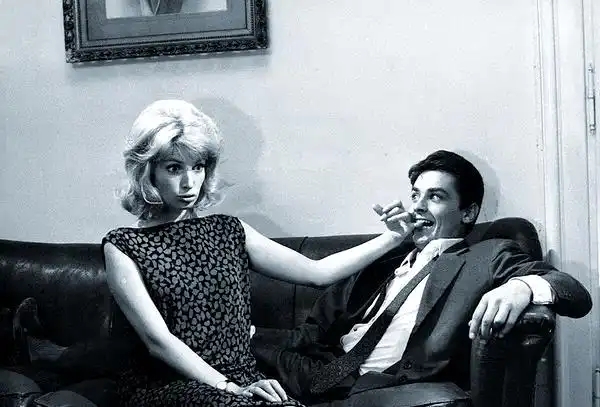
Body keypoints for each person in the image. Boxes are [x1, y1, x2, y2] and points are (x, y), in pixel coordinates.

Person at [101, 99, 411, 407]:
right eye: (174, 168)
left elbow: (318, 273)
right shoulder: (124, 245)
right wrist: (228, 387)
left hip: (242, 379)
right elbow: (158, 342)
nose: (189, 182)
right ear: (148, 171)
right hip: (167, 385)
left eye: (197, 167)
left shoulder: (229, 230)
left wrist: (392, 238)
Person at [250, 150, 593, 406]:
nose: (418, 206)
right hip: (320, 369)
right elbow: (311, 332)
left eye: (435, 196)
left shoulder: (487, 255)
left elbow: (574, 293)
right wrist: (246, 336)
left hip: (386, 385)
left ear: (468, 212)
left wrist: (522, 286)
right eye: (415, 194)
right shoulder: (383, 261)